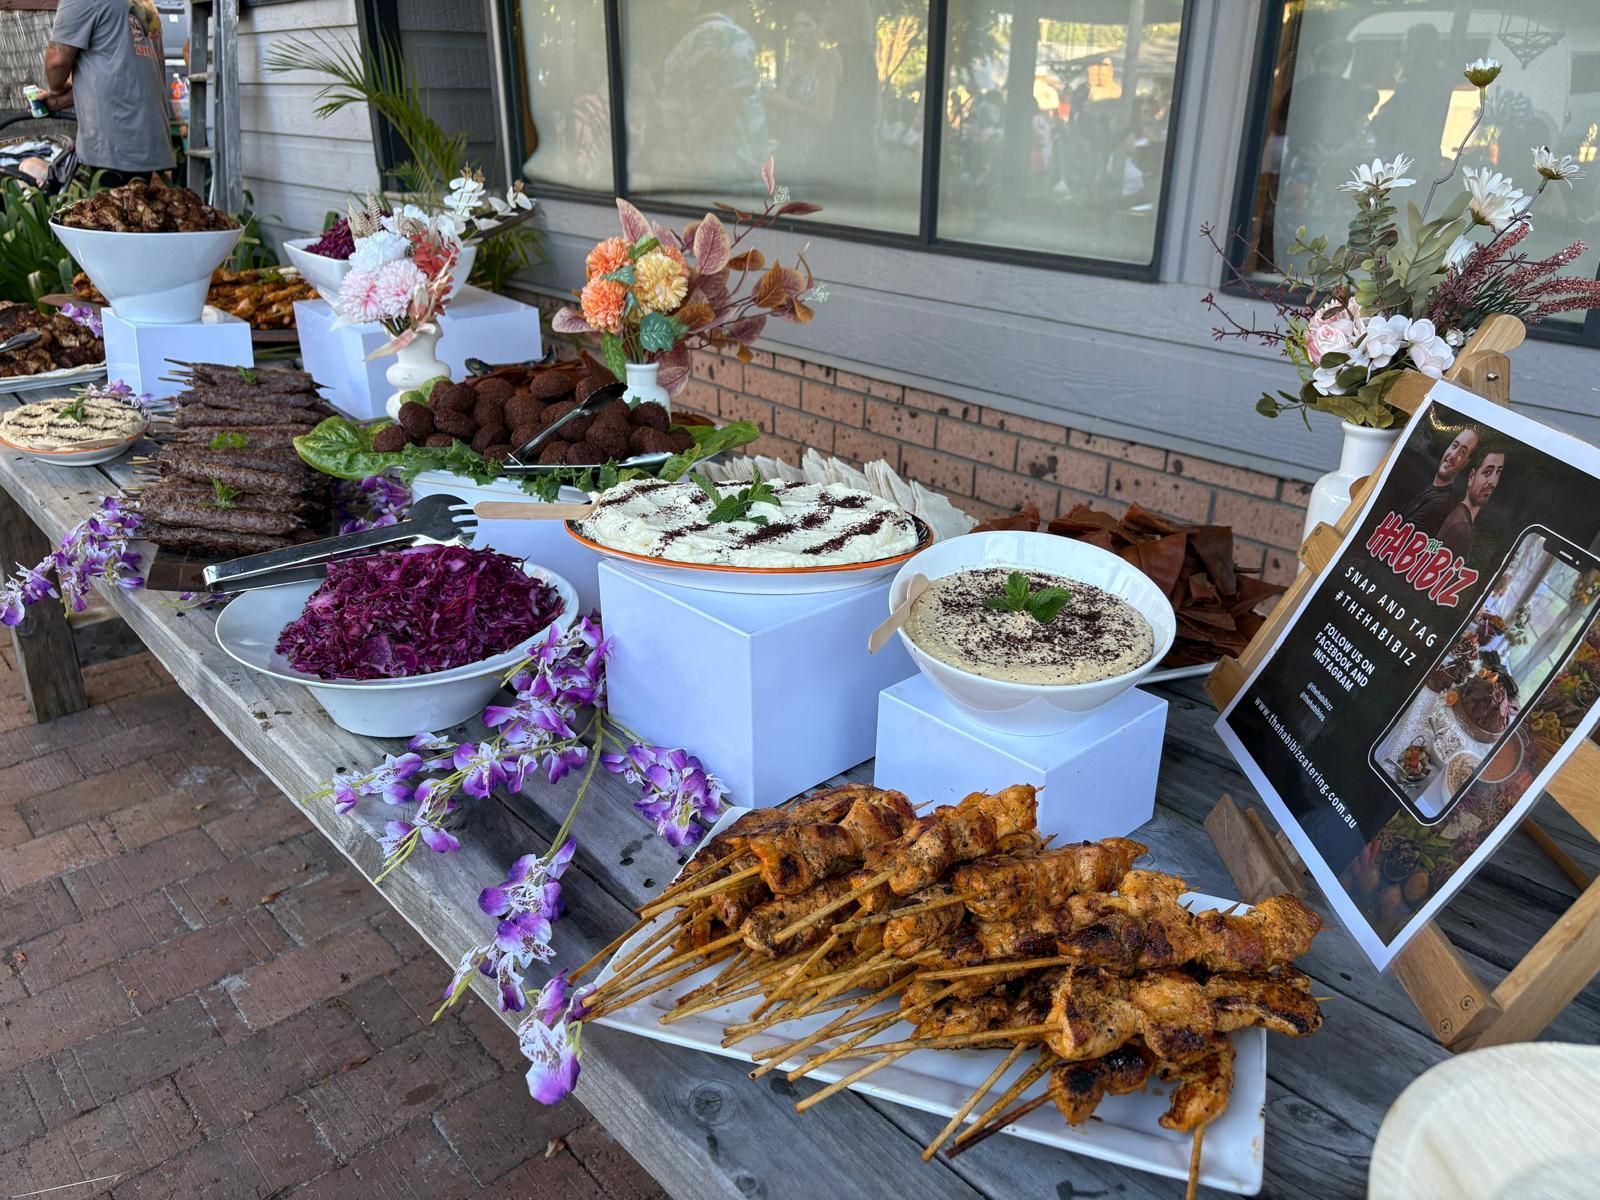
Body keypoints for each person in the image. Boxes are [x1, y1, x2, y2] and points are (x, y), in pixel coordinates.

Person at [40, 0, 175, 185]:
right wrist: (65, 98)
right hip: (148, 138)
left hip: (113, 144)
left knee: (106, 210)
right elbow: (123, 68)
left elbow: (57, 61)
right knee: (137, 208)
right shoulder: (145, 3)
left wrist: (56, 89)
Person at [1399, 425, 1479, 536]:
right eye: (1454, 446)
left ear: (1466, 463)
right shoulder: (1429, 487)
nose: (1453, 455)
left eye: (1462, 453)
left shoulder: (1440, 504)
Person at [1437, 445, 1505, 562]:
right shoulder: (1461, 528)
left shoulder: (1460, 516)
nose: (1492, 482)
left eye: (1498, 472)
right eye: (1487, 472)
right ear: (1471, 477)